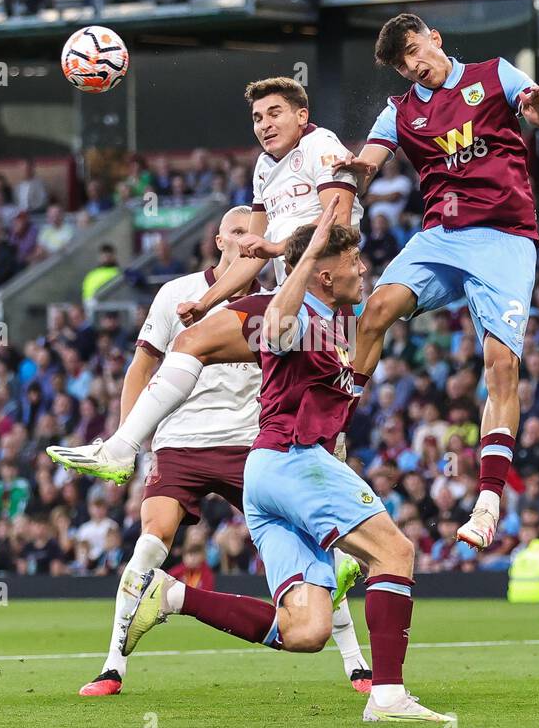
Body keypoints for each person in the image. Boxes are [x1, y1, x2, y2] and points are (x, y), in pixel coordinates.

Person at [121, 211, 452, 723]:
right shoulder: (296, 320)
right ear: (324, 273)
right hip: (294, 460)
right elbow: (275, 325)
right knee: (395, 551)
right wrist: (309, 246)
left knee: (306, 631)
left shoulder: (333, 323)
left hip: (265, 476)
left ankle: (171, 595)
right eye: (352, 260)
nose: (362, 269)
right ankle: (388, 697)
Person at [71, 206, 371, 697]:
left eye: (254, 234)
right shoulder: (178, 293)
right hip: (181, 442)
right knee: (150, 542)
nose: (245, 240)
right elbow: (140, 367)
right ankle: (112, 666)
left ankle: (356, 663)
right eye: (236, 232)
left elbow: (315, 384)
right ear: (218, 241)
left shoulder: (284, 300)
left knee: (311, 546)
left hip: (251, 444)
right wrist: (133, 438)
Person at [334, 13, 539, 549]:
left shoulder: (494, 75)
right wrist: (349, 168)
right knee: (375, 311)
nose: (414, 66)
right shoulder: (401, 111)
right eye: (403, 64)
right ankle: (334, 431)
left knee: (501, 364)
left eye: (416, 51)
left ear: (435, 39)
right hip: (441, 236)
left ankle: (488, 502)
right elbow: (368, 162)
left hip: (505, 238)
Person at [47, 76, 362, 482]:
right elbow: (252, 251)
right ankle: (122, 448)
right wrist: (208, 300)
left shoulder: (323, 147)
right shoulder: (265, 168)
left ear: (302, 115)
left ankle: (122, 449)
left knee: (318, 437)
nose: (264, 124)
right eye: (256, 117)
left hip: (328, 305)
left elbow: (336, 226)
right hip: (292, 309)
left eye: (274, 113)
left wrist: (274, 248)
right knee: (198, 345)